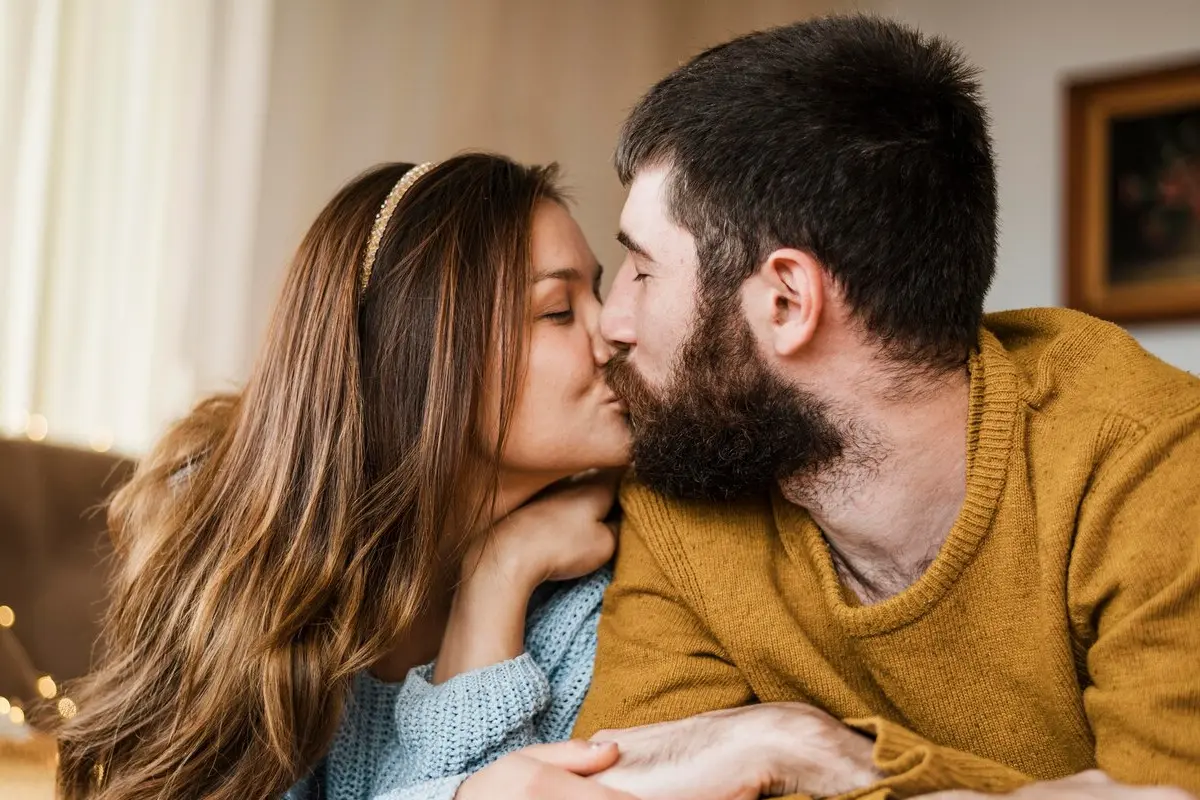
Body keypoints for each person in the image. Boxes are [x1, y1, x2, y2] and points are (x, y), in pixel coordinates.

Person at [572, 14, 1200, 800]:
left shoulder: (1155, 464)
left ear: (787, 300)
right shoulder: (690, 485)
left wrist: (813, 753)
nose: (611, 323)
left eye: (641, 269)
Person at [54, 154, 641, 800]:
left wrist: (494, 588)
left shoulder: (596, 593)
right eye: (559, 310)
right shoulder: (227, 543)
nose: (615, 329)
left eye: (599, 290)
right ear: (427, 357)